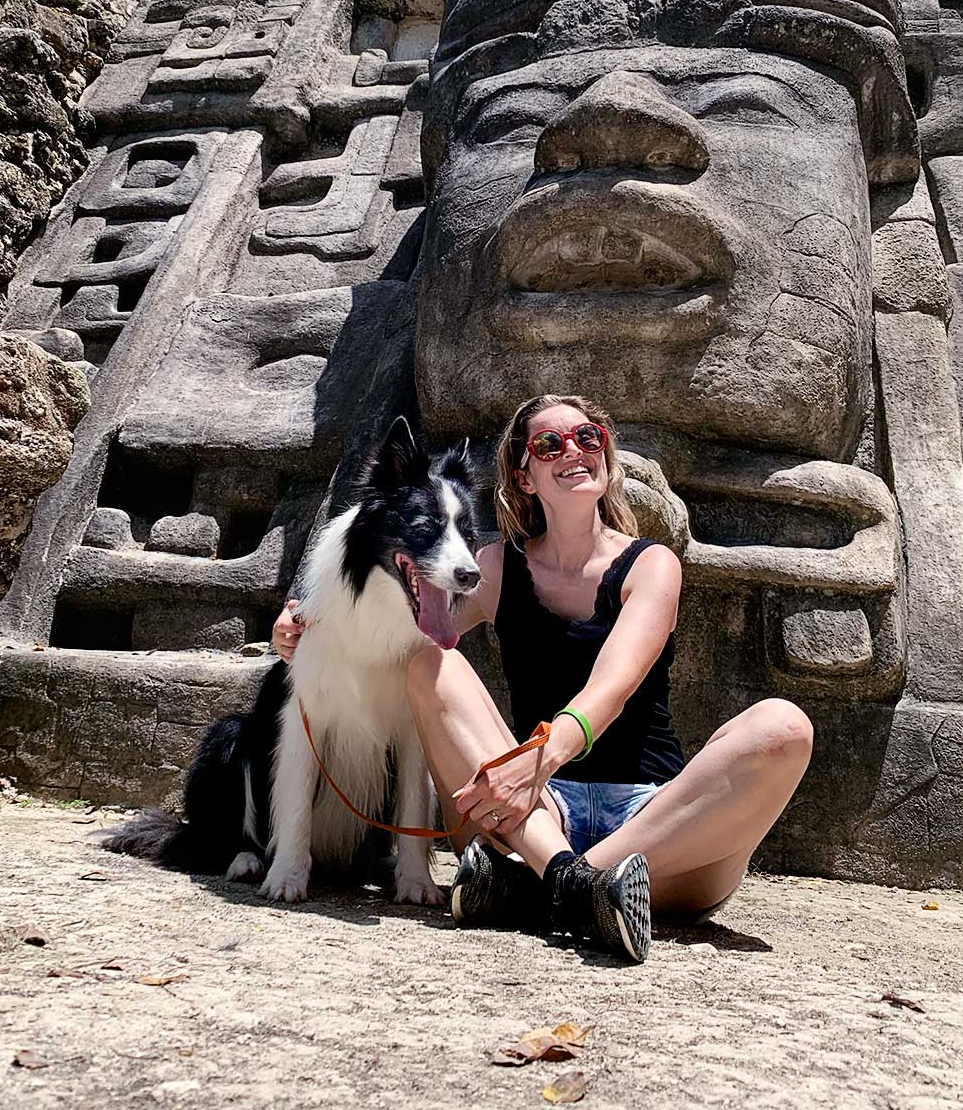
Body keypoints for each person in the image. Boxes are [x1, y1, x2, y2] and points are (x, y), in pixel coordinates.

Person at [272, 393, 813, 962]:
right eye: (549, 444)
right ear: (524, 476)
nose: (573, 452)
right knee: (431, 659)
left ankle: (547, 888)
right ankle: (578, 890)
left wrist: (540, 758)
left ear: (607, 459)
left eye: (588, 439)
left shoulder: (653, 565)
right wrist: (304, 614)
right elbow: (391, 614)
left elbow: (612, 686)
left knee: (785, 727)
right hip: (529, 815)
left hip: (652, 827)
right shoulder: (496, 567)